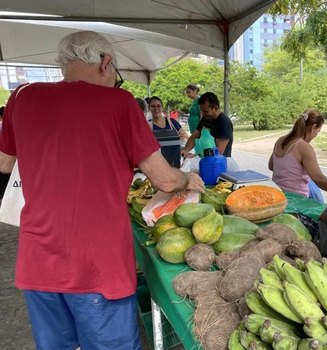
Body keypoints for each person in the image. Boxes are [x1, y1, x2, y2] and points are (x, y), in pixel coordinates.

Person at [0, 30, 204, 350]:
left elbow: (4, 163)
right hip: (94, 264)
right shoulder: (119, 102)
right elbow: (164, 180)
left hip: (37, 260)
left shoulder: (22, 97)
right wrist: (187, 179)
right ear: (106, 63)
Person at [268, 110, 327, 200]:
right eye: (318, 131)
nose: (316, 135)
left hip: (276, 197)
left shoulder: (280, 140)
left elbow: (271, 166)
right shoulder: (304, 147)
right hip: (296, 202)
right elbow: (318, 179)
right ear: (313, 127)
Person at [182, 92, 233, 158]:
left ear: (215, 108)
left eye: (206, 111)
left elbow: (219, 151)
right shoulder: (206, 118)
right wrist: (185, 150)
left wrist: (196, 155)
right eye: (202, 111)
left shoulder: (224, 123)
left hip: (221, 162)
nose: (203, 114)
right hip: (208, 159)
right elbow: (194, 136)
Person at [185, 84, 215, 156]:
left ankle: (200, 156)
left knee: (200, 144)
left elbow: (202, 114)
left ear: (195, 91)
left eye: (189, 92)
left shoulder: (199, 100)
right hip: (194, 128)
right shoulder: (194, 101)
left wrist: (201, 126)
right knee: (197, 143)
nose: (187, 94)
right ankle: (198, 155)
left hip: (199, 128)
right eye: (186, 93)